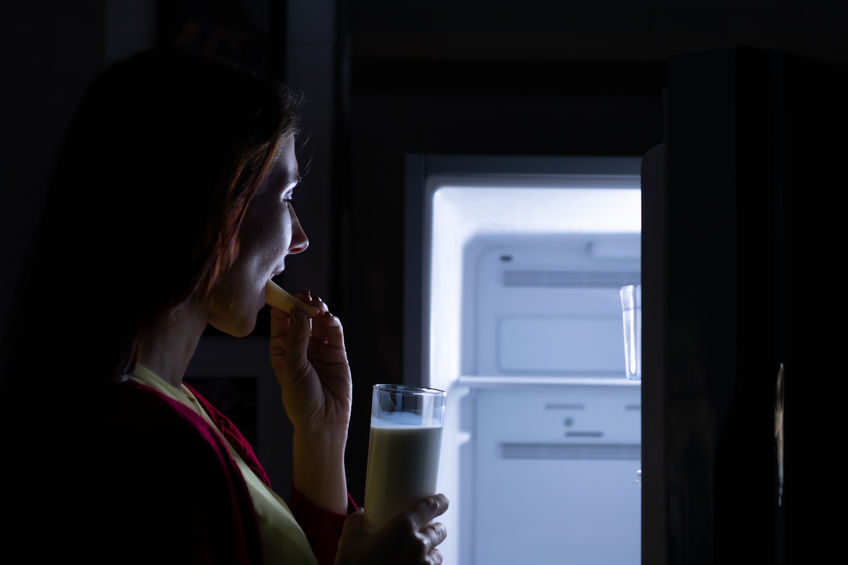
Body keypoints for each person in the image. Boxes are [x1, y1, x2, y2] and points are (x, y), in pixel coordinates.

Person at [0, 48, 447, 564]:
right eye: (285, 198)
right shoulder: (140, 442)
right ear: (214, 211)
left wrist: (322, 436)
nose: (299, 239)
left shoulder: (182, 407)